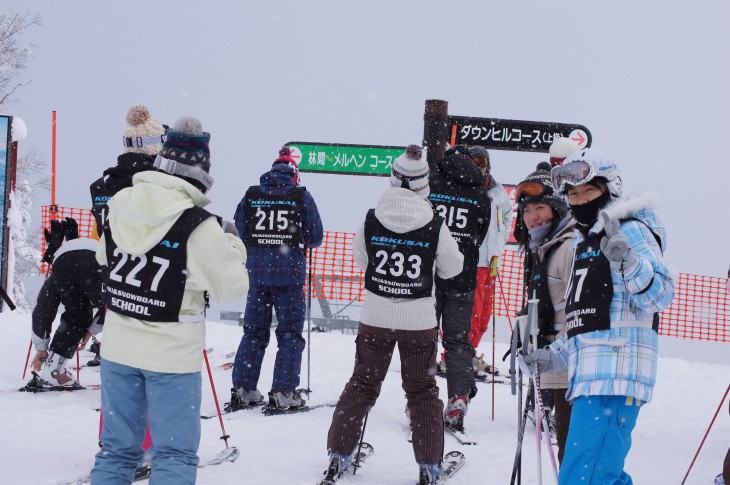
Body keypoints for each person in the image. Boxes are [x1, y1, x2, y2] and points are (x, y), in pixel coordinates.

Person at [90, 116, 248, 484]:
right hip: (172, 358)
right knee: (174, 455)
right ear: (202, 171)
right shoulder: (199, 225)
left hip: (117, 349)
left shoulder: (121, 203)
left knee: (116, 452)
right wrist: (233, 242)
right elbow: (232, 284)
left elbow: (104, 258)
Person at [523, 148, 674, 484]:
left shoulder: (629, 229)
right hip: (590, 377)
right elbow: (589, 319)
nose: (580, 200)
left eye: (589, 190)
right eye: (573, 194)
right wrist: (553, 356)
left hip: (616, 374)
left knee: (582, 478)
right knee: (600, 476)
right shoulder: (584, 242)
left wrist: (629, 262)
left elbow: (661, 295)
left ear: (610, 189)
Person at [323, 145, 463, 485]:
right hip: (418, 322)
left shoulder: (373, 217)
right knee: (421, 391)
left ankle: (338, 453)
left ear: (394, 179)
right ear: (423, 183)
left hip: (376, 317)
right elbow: (452, 267)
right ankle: (430, 465)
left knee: (362, 383)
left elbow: (361, 257)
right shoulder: (434, 222)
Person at [230, 146, 323, 411]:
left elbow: (239, 234)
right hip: (290, 277)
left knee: (254, 332)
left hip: (257, 276)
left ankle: (243, 388)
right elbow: (315, 237)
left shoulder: (251, 196)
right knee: (290, 334)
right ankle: (283, 391)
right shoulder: (301, 197)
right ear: (294, 175)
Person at [514, 162, 575, 465]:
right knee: (567, 449)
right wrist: (526, 327)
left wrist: (557, 351)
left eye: (539, 207)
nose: (532, 216)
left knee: (575, 452)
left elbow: (580, 311)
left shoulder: (569, 246)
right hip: (556, 365)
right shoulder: (543, 247)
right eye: (526, 211)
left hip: (573, 366)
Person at [429, 145, 491, 434]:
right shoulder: (480, 194)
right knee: (457, 340)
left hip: (428, 273)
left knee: (424, 337)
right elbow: (480, 234)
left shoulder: (431, 184)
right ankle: (458, 398)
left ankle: (422, 398)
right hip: (462, 275)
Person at [28, 217, 104, 388]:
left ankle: (55, 369)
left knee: (77, 316)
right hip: (97, 259)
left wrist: (41, 346)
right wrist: (91, 331)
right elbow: (111, 308)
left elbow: (44, 307)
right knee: (103, 309)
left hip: (62, 259)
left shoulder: (62, 270)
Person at [467, 145, 513, 376]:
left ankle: (469, 353)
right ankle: (454, 357)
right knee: (471, 313)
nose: (478, 169)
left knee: (485, 313)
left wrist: (499, 243)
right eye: (474, 164)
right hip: (471, 263)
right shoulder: (465, 188)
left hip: (491, 262)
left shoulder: (497, 190)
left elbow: (507, 216)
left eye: (482, 164)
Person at [90, 105, 167, 239]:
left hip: (108, 257)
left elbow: (98, 239)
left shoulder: (101, 186)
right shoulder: (160, 185)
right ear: (157, 147)